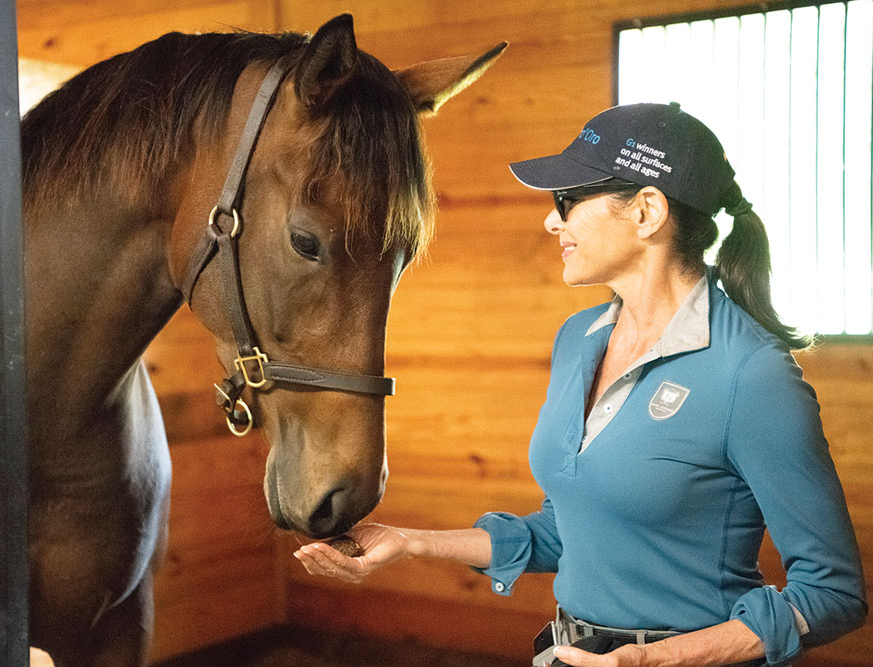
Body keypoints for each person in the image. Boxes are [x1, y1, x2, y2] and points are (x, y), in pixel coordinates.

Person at [292, 102, 867, 667]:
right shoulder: (579, 338)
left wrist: (651, 661)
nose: (551, 220)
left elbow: (831, 595)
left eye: (568, 200)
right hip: (571, 655)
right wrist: (408, 540)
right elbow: (569, 528)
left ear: (646, 212)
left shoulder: (751, 373)